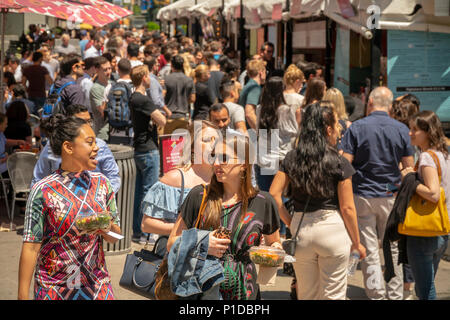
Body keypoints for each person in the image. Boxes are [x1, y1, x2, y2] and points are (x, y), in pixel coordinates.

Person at [18, 114, 121, 300]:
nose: (96, 148)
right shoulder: (43, 190)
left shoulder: (103, 185)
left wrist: (107, 228)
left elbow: (115, 237)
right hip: (53, 288)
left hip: (97, 286)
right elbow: (31, 246)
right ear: (68, 147)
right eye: (90, 142)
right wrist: (22, 295)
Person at [168, 133, 282, 300]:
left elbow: (274, 242)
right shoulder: (199, 196)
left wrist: (275, 250)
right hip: (202, 290)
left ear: (243, 163)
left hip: (245, 291)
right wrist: (203, 243)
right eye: (214, 157)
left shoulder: (263, 202)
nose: (215, 163)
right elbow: (172, 243)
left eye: (224, 158)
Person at [270, 103, 366, 300]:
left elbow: (273, 194)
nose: (339, 129)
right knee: (334, 294)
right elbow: (348, 208)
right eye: (336, 125)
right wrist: (357, 242)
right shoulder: (339, 162)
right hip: (333, 229)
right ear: (328, 129)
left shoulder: (292, 158)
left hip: (301, 230)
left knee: (306, 294)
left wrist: (290, 222)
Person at [341, 86, 415, 300]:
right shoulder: (401, 129)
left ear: (370, 102)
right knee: (392, 249)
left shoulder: (356, 127)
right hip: (391, 196)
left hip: (362, 195)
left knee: (369, 251)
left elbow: (345, 163)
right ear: (390, 106)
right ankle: (395, 294)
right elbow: (408, 168)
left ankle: (376, 295)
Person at [400, 111, 449, 300]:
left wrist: (409, 179)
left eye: (415, 130)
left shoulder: (428, 158)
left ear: (427, 132)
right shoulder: (443, 154)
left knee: (425, 290)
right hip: (441, 229)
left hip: (424, 232)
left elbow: (433, 194)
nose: (410, 133)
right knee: (424, 287)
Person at [141, 120, 218, 238]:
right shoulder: (176, 178)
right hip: (178, 252)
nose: (213, 145)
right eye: (207, 140)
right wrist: (185, 229)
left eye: (217, 140)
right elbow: (147, 225)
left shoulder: (222, 178)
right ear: (192, 146)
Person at [31, 104, 120, 193]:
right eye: (82, 122)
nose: (88, 125)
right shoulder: (52, 146)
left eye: (89, 121)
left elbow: (113, 177)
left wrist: (101, 197)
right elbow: (38, 178)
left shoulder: (101, 147)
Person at [129, 65, 167, 243]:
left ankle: (138, 231)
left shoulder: (134, 97)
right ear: (144, 77)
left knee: (139, 192)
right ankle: (147, 233)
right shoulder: (143, 99)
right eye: (149, 75)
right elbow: (162, 119)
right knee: (150, 192)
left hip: (138, 148)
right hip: (149, 150)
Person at [255, 76, 298, 192]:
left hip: (264, 158)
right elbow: (294, 131)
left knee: (265, 196)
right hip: (281, 158)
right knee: (280, 196)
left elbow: (258, 131)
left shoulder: (260, 109)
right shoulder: (286, 110)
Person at [163, 55, 196, 134]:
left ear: (171, 65)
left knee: (168, 143)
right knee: (180, 143)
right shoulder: (189, 80)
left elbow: (162, 96)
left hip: (169, 117)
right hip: (183, 117)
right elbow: (193, 99)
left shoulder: (166, 79)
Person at [238, 59, 266, 130]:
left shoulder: (249, 85)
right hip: (250, 132)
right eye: (265, 72)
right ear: (261, 72)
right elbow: (249, 113)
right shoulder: (255, 88)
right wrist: (260, 131)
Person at [90, 56, 112, 141]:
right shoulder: (96, 88)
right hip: (102, 134)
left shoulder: (112, 84)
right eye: (105, 70)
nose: (108, 72)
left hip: (113, 132)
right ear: (97, 70)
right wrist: (107, 97)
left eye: (110, 68)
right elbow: (102, 111)